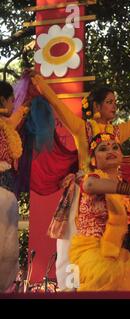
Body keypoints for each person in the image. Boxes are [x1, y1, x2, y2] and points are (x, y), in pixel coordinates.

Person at [30, 72, 130, 290]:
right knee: (71, 244)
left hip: (111, 192)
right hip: (85, 192)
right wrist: (40, 84)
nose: (114, 106)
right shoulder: (83, 128)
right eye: (110, 102)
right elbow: (57, 105)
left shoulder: (116, 132)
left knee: (111, 248)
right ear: (97, 106)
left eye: (115, 102)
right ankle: (68, 289)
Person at [69, 132, 130, 291]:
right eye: (103, 148)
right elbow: (89, 186)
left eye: (115, 147)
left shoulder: (121, 183)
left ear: (121, 155)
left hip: (116, 251)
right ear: (93, 159)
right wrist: (129, 189)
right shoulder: (93, 177)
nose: (110, 151)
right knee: (110, 275)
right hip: (91, 249)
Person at [0, 80, 29, 292]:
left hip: (7, 191)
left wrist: (31, 90)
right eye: (12, 100)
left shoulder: (5, 124)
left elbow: (19, 114)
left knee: (7, 245)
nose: (13, 104)